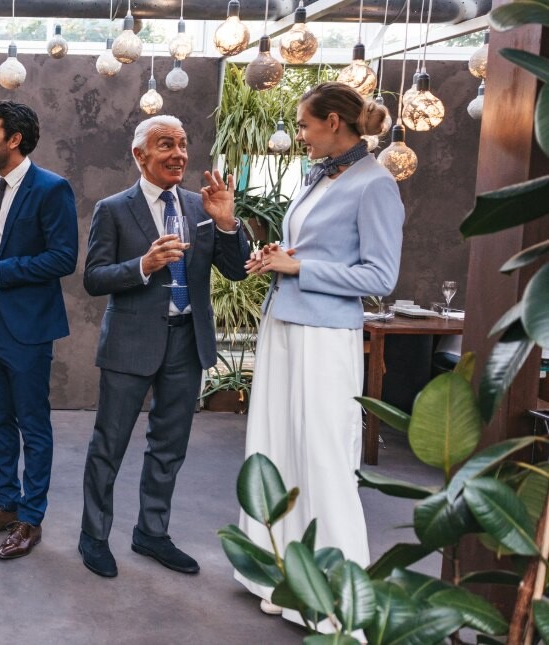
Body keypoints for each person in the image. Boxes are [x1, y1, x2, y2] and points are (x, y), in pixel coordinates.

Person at [238, 82, 400, 621]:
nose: (299, 135)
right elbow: (316, 250)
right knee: (277, 447)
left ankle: (337, 599)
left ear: (334, 122)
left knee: (323, 456)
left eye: (305, 125)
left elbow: (379, 275)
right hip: (284, 325)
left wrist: (300, 266)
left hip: (327, 338)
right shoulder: (321, 174)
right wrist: (281, 256)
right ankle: (279, 572)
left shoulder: (376, 184)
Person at [77, 115, 250, 579]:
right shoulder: (114, 209)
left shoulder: (203, 206)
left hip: (186, 343)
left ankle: (151, 533)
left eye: (183, 143)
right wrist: (144, 264)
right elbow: (94, 279)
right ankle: (94, 536)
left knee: (169, 447)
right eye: (165, 145)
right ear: (140, 155)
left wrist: (228, 221)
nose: (178, 153)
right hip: (130, 343)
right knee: (108, 445)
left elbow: (236, 271)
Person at [0, 100, 78, 560]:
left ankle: (31, 518)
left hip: (26, 328)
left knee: (33, 424)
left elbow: (63, 258)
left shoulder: (52, 189)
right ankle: (5, 503)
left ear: (14, 140)